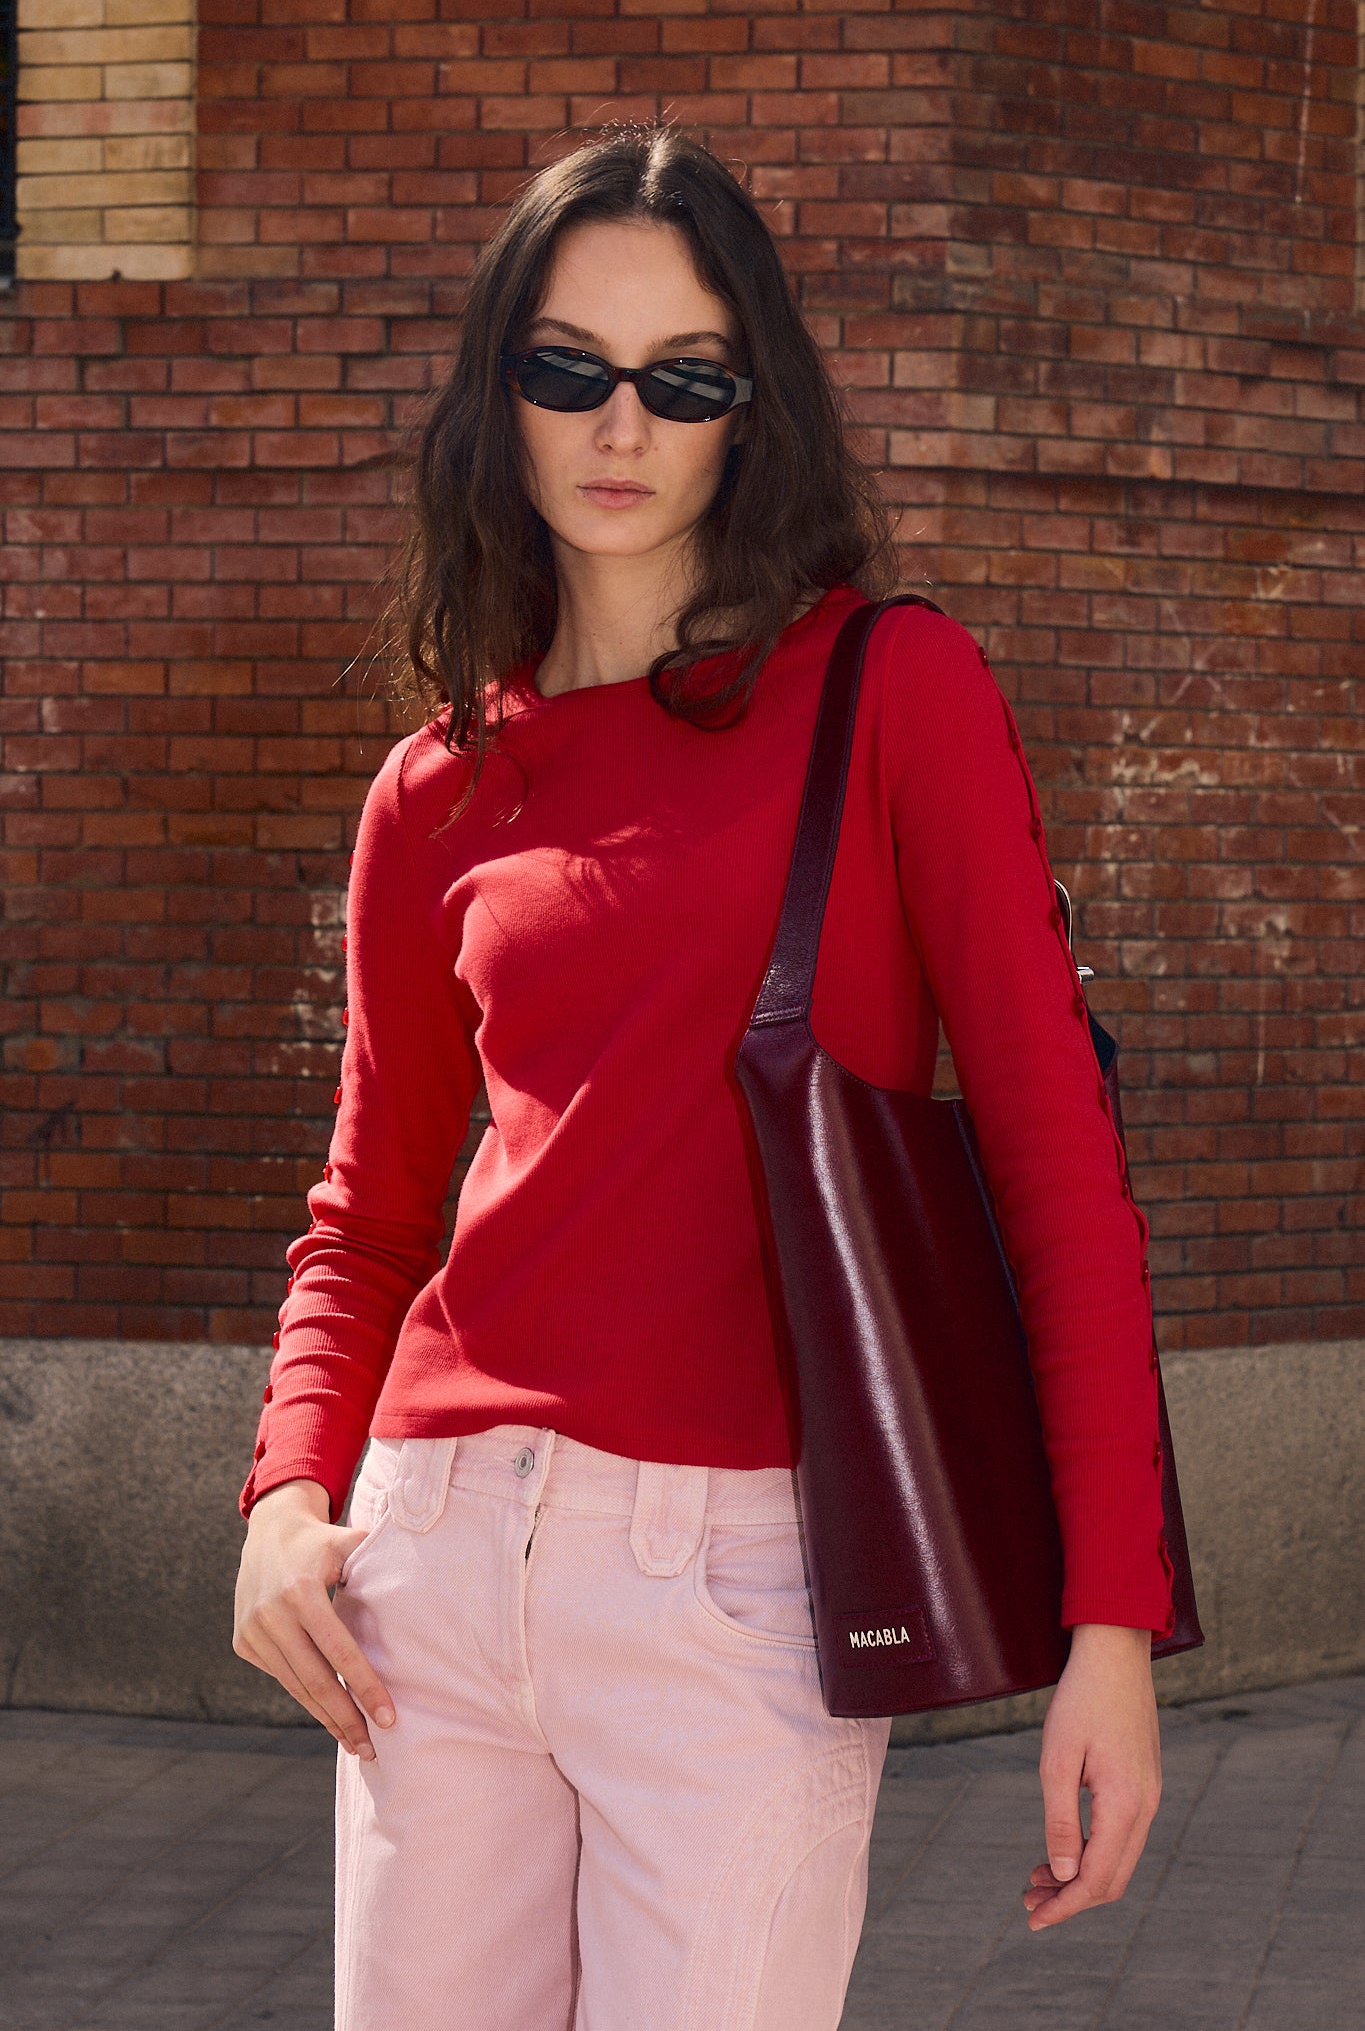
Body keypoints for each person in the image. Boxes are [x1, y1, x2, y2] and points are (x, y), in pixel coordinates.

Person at [232, 124, 1169, 2031]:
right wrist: (283, 1493)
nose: (619, 425)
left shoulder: (890, 691)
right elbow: (370, 1210)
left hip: (736, 1577)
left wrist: (1111, 1624)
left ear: (754, 412)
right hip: (428, 1563)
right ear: (498, 388)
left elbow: (1057, 1175)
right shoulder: (431, 786)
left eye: (685, 380)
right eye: (566, 367)